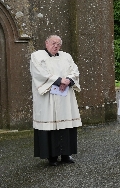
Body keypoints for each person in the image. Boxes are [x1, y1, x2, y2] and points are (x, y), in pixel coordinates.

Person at [30, 35, 81, 166]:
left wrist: (68, 80)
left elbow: (74, 70)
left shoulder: (66, 56)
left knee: (65, 125)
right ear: (46, 43)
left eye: (58, 44)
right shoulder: (37, 56)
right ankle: (51, 157)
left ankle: (66, 155)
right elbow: (39, 74)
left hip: (64, 97)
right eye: (53, 43)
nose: (56, 46)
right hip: (48, 97)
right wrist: (59, 81)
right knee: (50, 125)